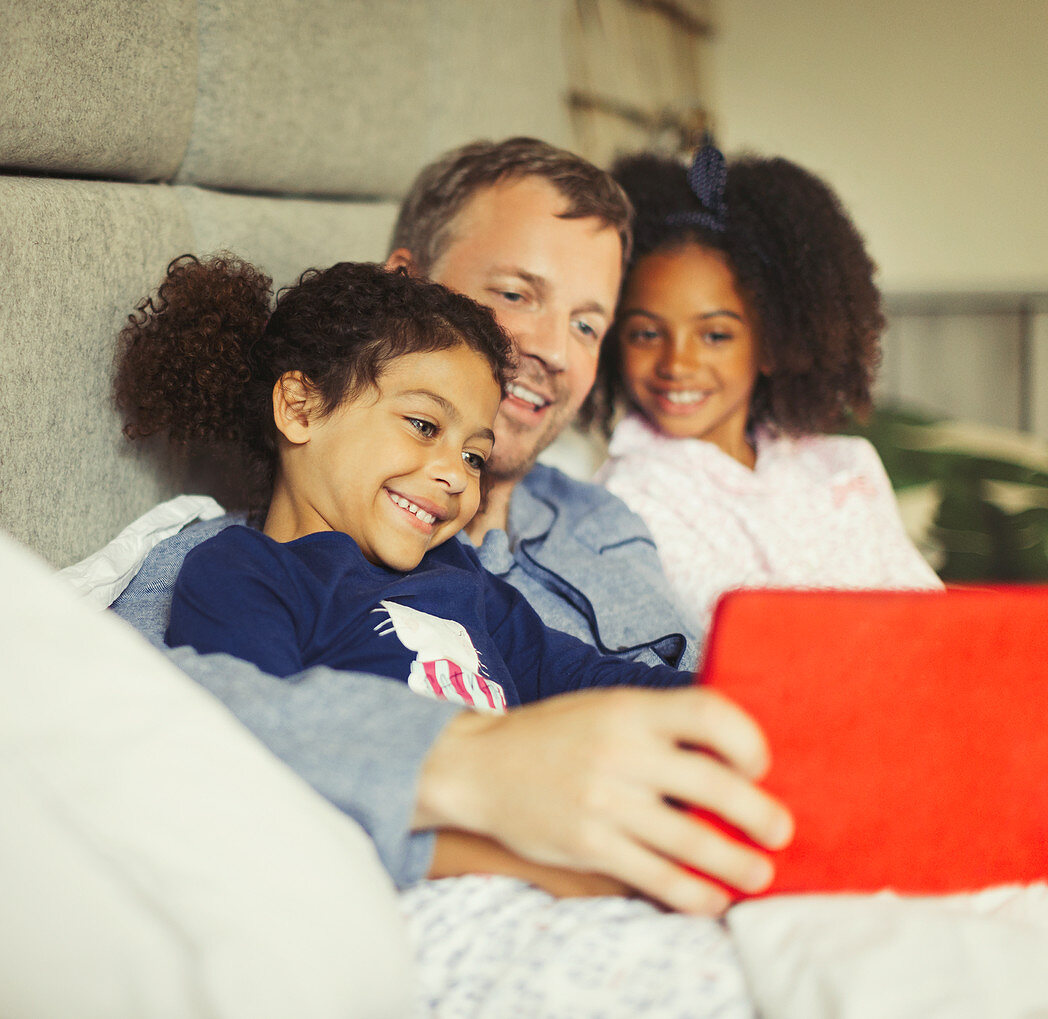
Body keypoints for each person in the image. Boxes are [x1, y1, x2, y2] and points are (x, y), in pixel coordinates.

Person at [109, 137, 792, 915]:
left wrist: (760, 701)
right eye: (516, 294)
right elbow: (203, 741)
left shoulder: (567, 536)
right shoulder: (230, 564)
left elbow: (577, 671)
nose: (547, 350)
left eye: (587, 324)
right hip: (442, 881)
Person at [117, 254, 692, 707]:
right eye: (423, 425)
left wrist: (728, 699)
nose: (453, 475)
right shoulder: (245, 572)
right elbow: (267, 727)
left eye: (474, 456)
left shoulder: (461, 578)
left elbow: (578, 675)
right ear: (301, 408)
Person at [589, 145, 942, 625]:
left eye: (715, 335)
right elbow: (757, 639)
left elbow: (933, 617)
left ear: (774, 345)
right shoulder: (625, 500)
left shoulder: (843, 467)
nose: (677, 362)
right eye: (647, 333)